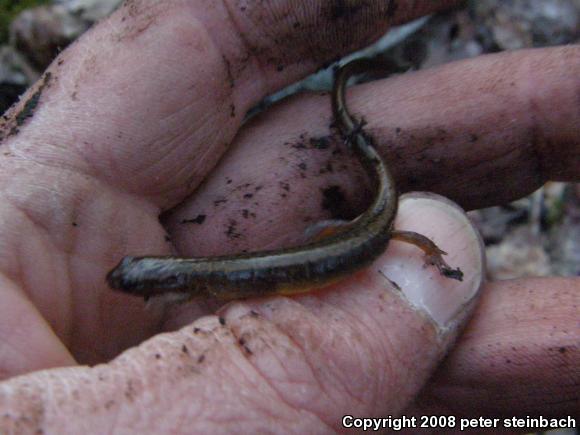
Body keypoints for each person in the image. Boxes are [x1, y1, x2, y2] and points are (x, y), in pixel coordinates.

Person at [0, 1, 577, 432]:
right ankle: (350, 106)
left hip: (368, 241)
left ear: (167, 279)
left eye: (132, 275)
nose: (126, 280)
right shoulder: (202, 279)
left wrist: (430, 254)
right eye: (134, 277)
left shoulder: (205, 280)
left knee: (391, 233)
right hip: (341, 245)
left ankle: (373, 149)